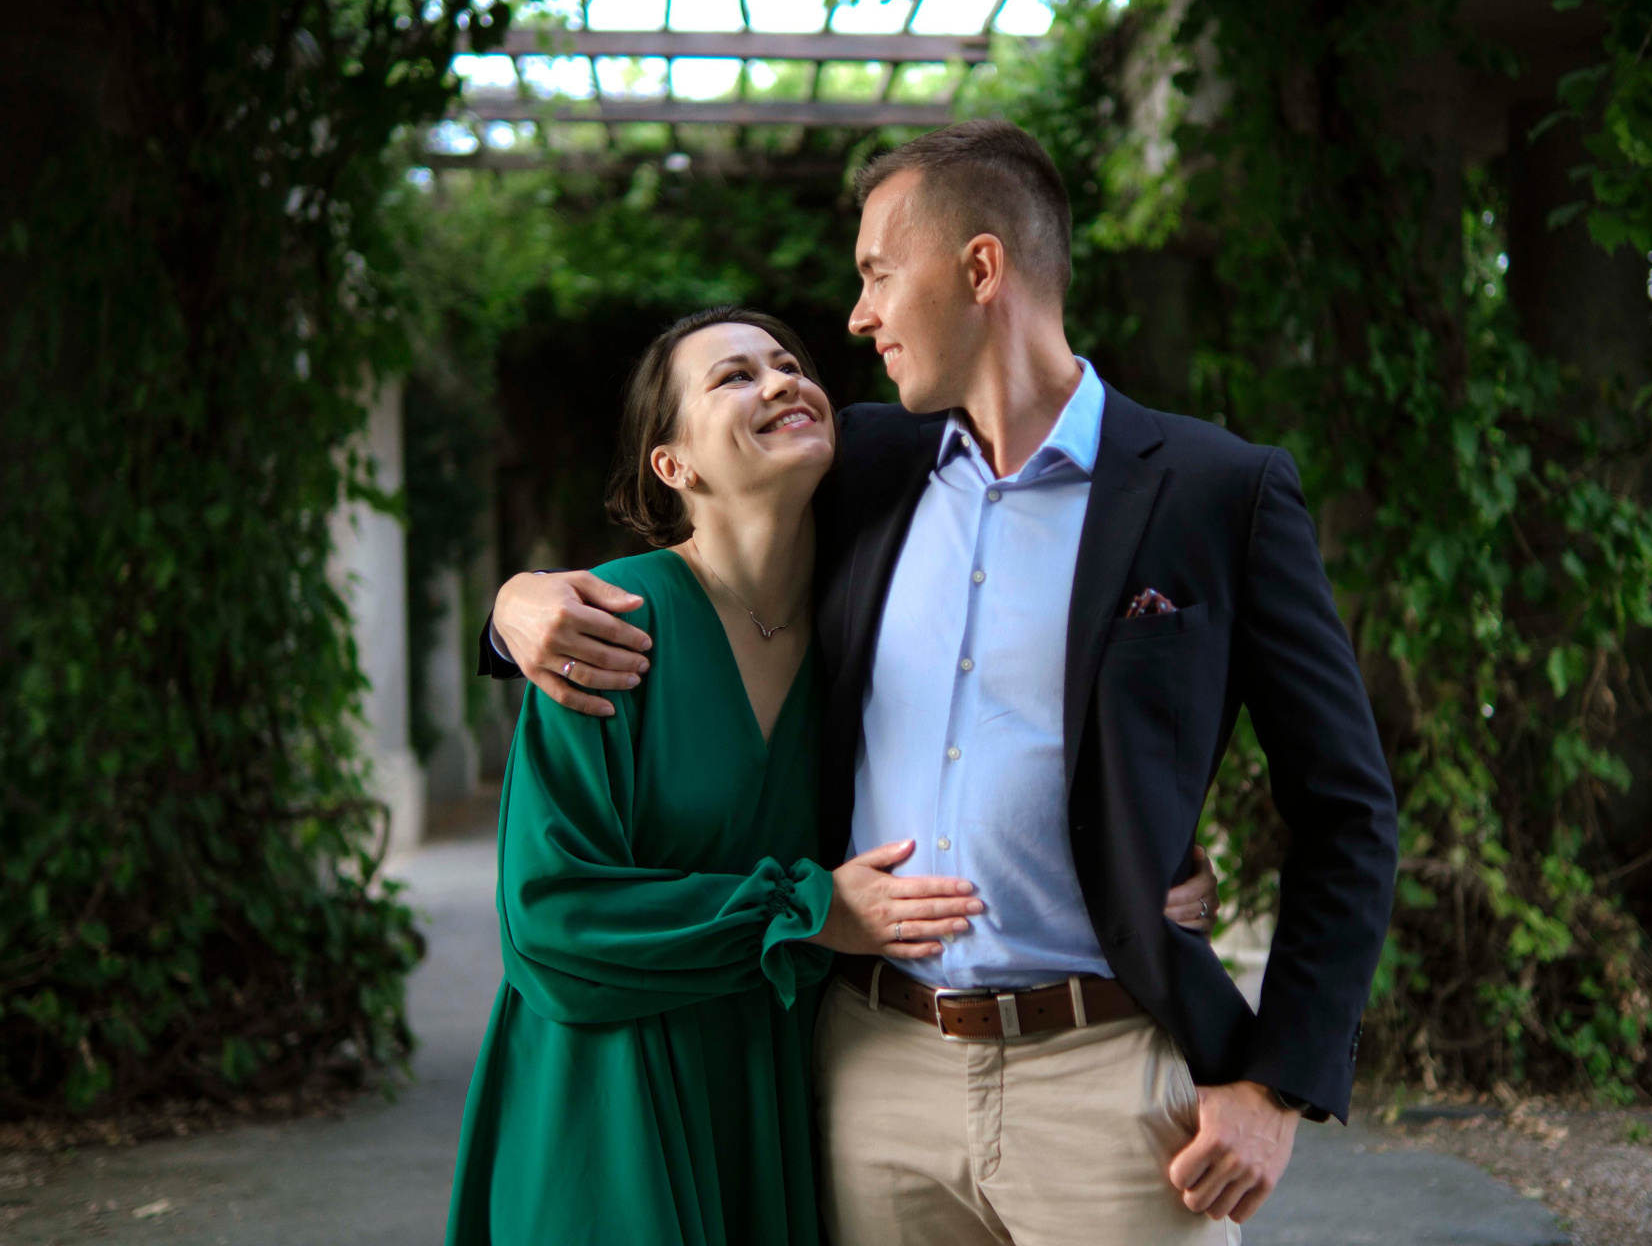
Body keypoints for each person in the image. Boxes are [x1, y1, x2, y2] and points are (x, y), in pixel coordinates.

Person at [483, 121, 1398, 1245]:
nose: (854, 316)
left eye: (877, 273)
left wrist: (1276, 1081)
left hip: (1108, 1079)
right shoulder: (864, 464)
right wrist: (511, 608)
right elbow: (709, 558)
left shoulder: (1219, 491)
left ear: (980, 268)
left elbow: (1346, 809)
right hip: (873, 1074)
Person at [447, 304, 1217, 1246]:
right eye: (734, 377)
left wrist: (1143, 855)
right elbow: (548, 920)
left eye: (787, 364)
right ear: (673, 465)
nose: (779, 381)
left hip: (777, 1082)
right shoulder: (609, 628)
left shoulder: (869, 625)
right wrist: (809, 912)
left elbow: (1000, 753)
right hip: (607, 1091)